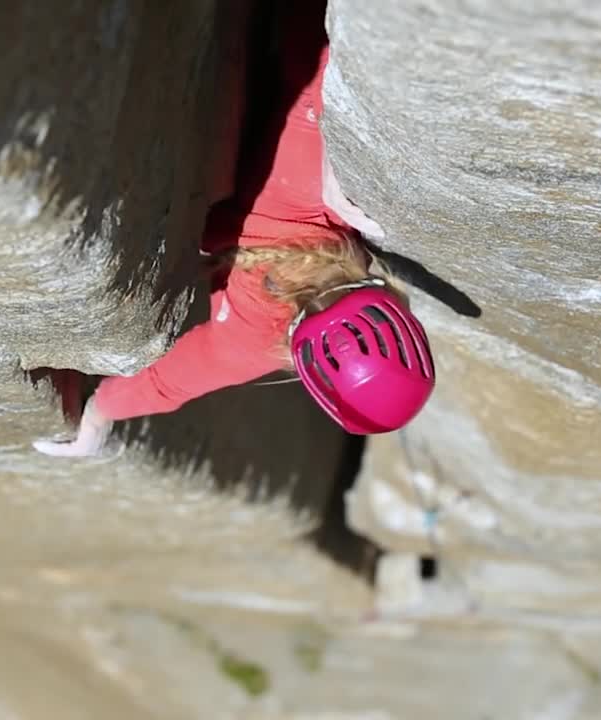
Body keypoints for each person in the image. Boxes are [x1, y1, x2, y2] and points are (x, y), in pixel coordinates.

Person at [34, 1, 435, 457]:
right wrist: (99, 416)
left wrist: (335, 157)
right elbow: (168, 383)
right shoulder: (253, 342)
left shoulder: (337, 209)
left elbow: (326, 59)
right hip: (208, 151)